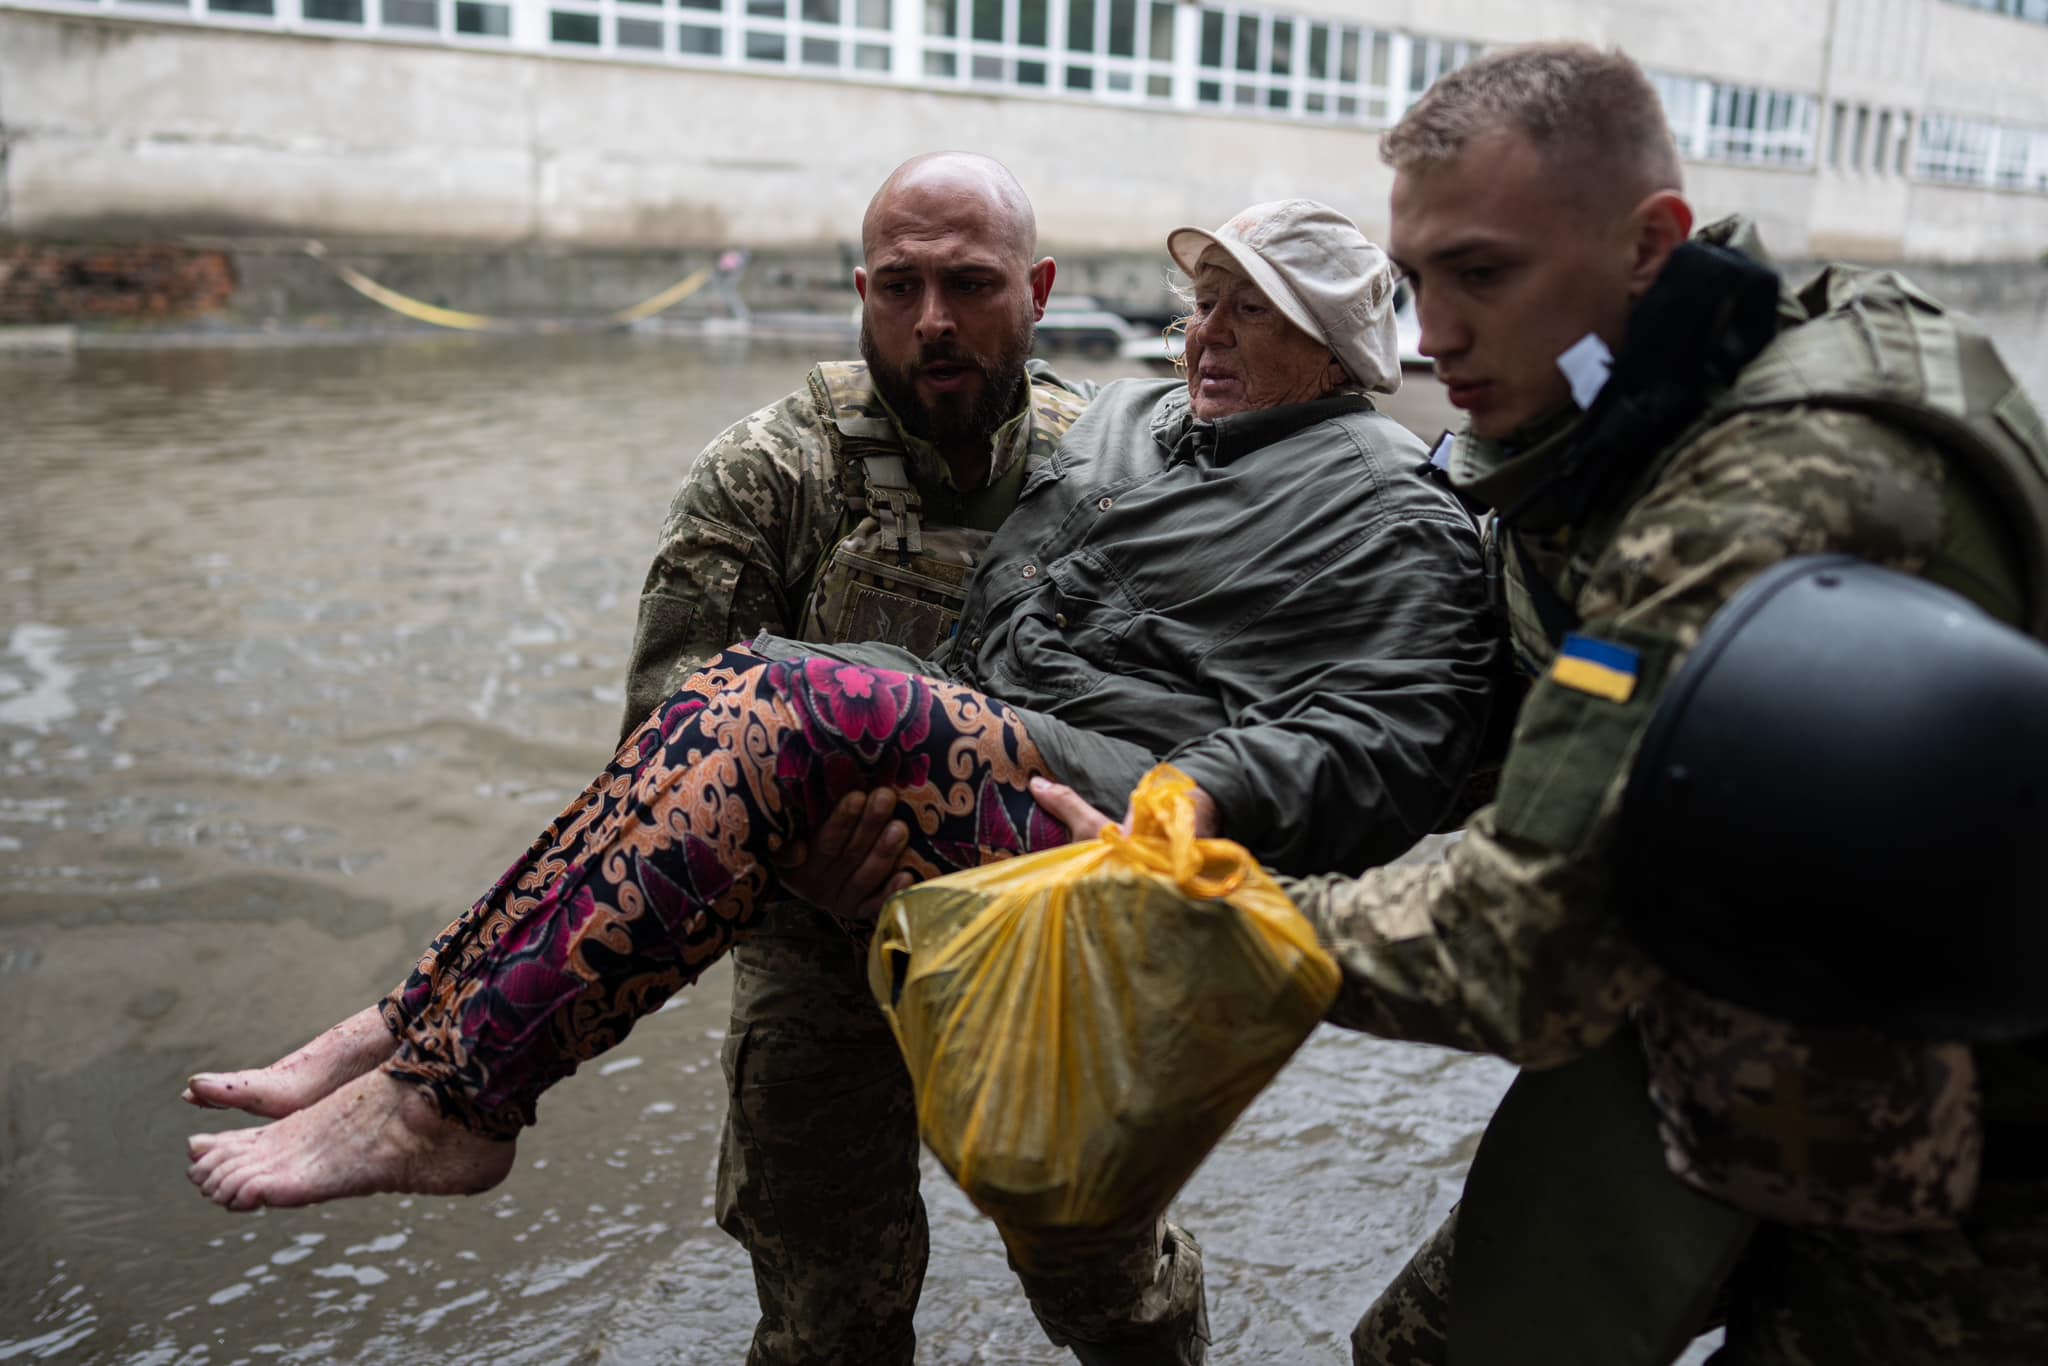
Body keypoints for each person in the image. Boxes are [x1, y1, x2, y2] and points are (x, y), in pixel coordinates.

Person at [183, 196, 1500, 1359]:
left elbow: (1402, 735)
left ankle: (453, 1087)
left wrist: (1193, 795)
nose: (1204, 334)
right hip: (913, 827)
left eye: (1247, 313)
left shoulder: (1390, 504)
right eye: (1197, 305)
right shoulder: (1122, 428)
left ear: (1335, 350)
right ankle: (426, 1038)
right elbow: (661, 740)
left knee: (1088, 1257)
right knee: (739, 689)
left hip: (1096, 829)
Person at [1035, 42, 2048, 1365]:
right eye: (1412, 281)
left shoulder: (1776, 485)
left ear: (1652, 244)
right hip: (1705, 1029)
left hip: (1966, 1146)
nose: (1431, 333)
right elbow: (1484, 738)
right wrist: (1197, 761)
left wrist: (1194, 912)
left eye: (1483, 273)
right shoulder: (1594, 423)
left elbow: (1528, 945)